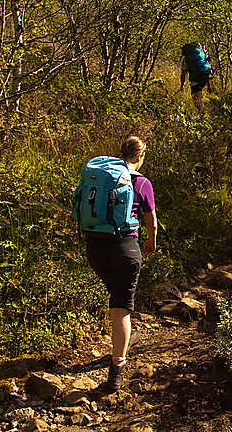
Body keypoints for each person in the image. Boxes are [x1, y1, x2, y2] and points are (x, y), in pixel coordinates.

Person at [85, 136, 157, 391]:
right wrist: (151, 242)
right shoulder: (141, 183)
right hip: (125, 248)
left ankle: (124, 339)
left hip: (95, 248)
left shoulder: (103, 178)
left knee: (117, 300)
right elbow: (152, 222)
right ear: (139, 156)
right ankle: (117, 369)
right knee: (120, 309)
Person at [180, 42, 213, 111]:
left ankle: (202, 115)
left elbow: (183, 75)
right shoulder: (200, 57)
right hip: (204, 78)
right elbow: (205, 69)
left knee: (198, 101)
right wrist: (209, 85)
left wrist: (181, 86)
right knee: (196, 97)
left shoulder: (186, 60)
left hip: (195, 80)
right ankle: (201, 113)